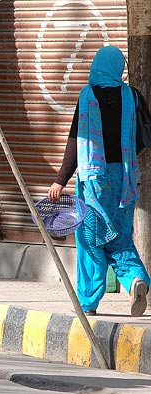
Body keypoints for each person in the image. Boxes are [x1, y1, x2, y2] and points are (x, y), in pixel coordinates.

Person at [48, 46, 150, 317]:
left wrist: (60, 180)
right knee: (121, 239)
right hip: (124, 179)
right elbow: (143, 136)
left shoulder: (87, 96)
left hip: (94, 179)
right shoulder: (132, 96)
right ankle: (135, 280)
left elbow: (75, 140)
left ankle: (88, 302)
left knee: (91, 239)